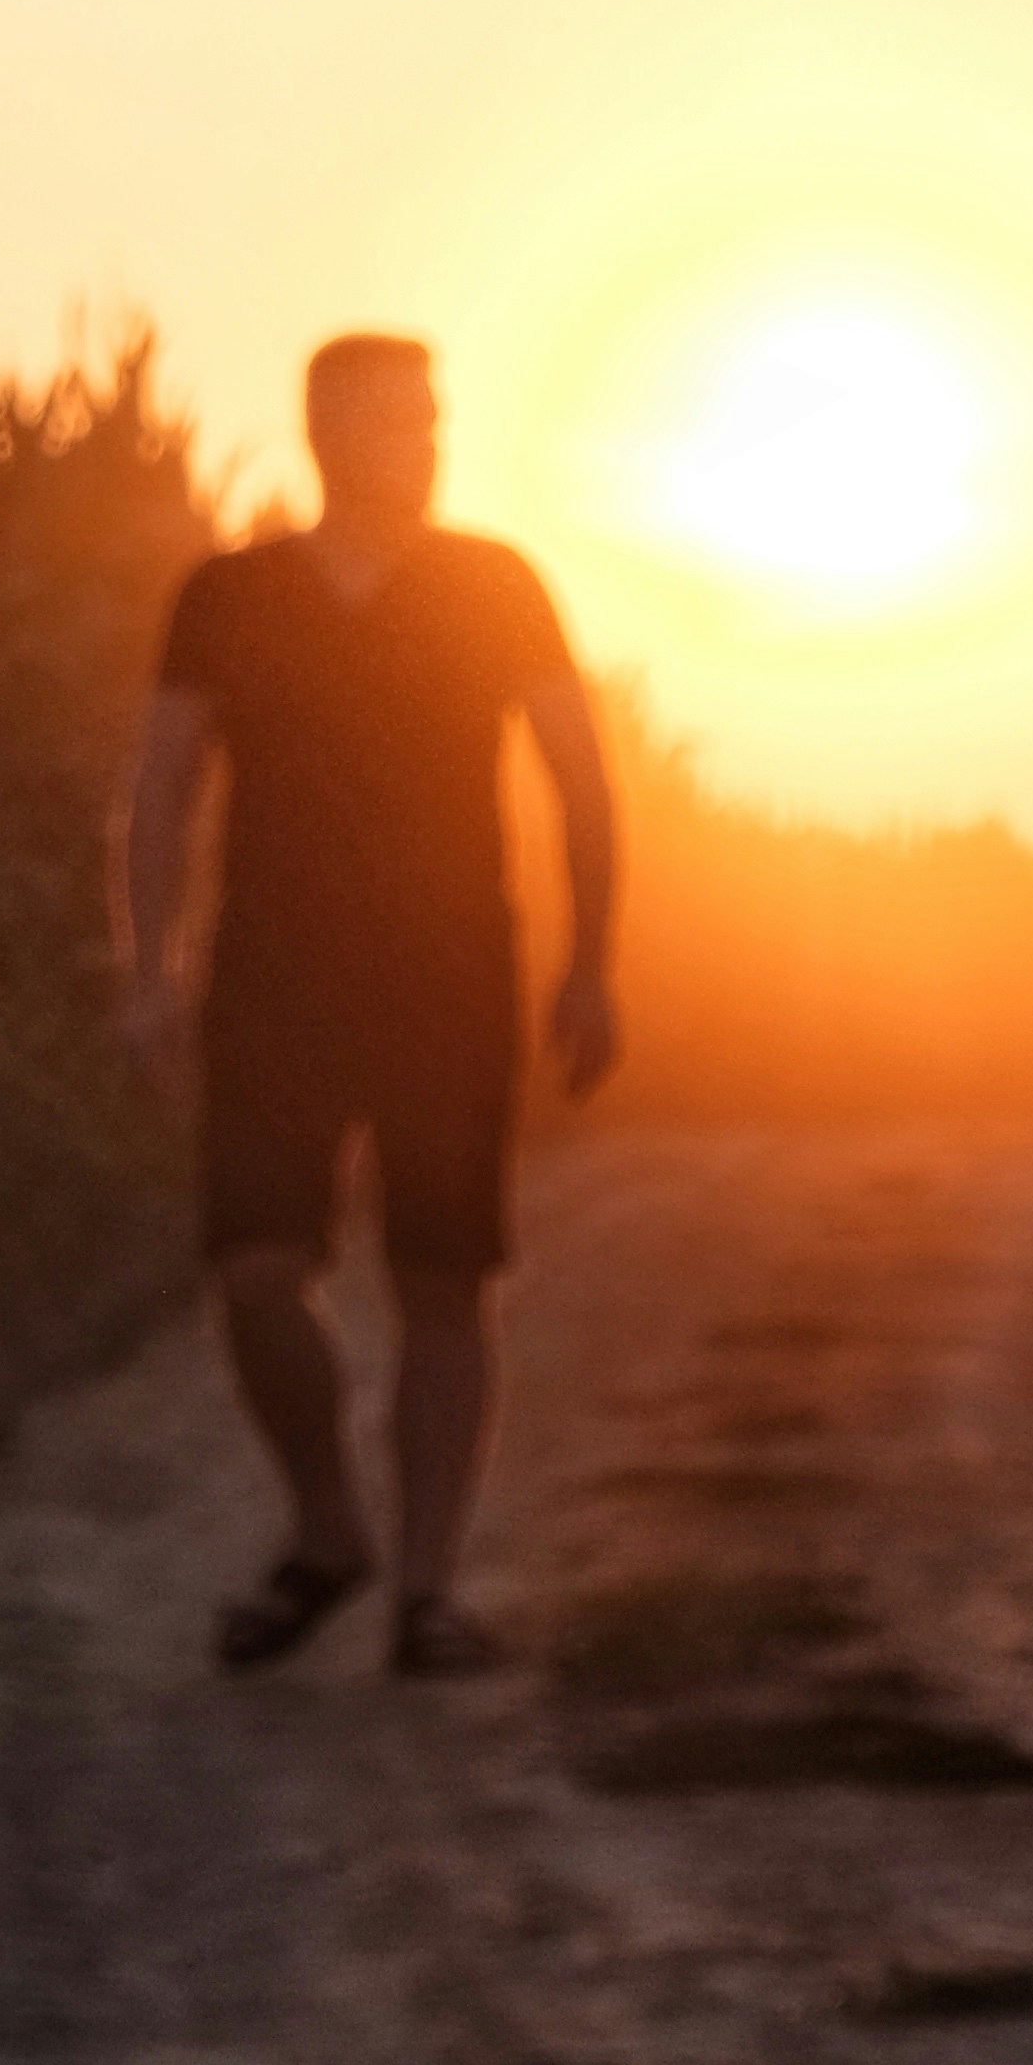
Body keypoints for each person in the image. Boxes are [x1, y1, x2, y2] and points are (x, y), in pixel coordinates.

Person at [116, 334, 618, 1679]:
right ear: (327, 431)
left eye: (432, 417)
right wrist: (148, 971)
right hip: (271, 980)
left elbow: (577, 777)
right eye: (398, 418)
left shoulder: (491, 584)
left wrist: (590, 965)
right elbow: (161, 785)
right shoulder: (229, 594)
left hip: (452, 976)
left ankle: (427, 1596)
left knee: (443, 1281)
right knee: (255, 1273)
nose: (425, 438)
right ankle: (329, 1527)